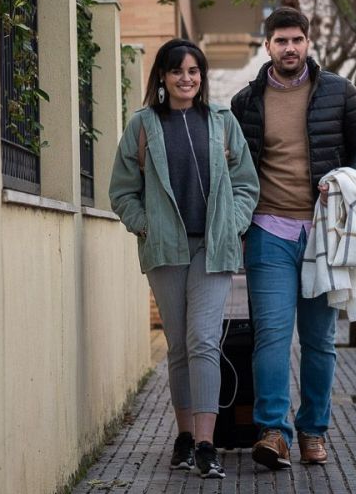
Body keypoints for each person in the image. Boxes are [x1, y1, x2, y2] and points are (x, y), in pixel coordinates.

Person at [230, 7, 356, 469]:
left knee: (319, 340)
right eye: (280, 41)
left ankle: (314, 431)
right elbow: (234, 165)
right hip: (268, 231)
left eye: (296, 40)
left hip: (324, 236)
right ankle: (274, 432)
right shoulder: (245, 102)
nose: (289, 47)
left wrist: (347, 177)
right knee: (271, 337)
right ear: (267, 45)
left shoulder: (339, 91)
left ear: (308, 43)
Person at [109, 39, 259, 479]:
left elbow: (247, 182)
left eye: (193, 71)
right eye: (177, 71)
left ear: (202, 77)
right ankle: (184, 436)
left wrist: (231, 222)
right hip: (166, 251)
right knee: (178, 347)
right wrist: (146, 224)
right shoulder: (142, 125)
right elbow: (121, 191)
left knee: (204, 342)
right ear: (163, 77)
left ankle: (207, 443)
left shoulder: (221, 122)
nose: (186, 78)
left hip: (212, 249)